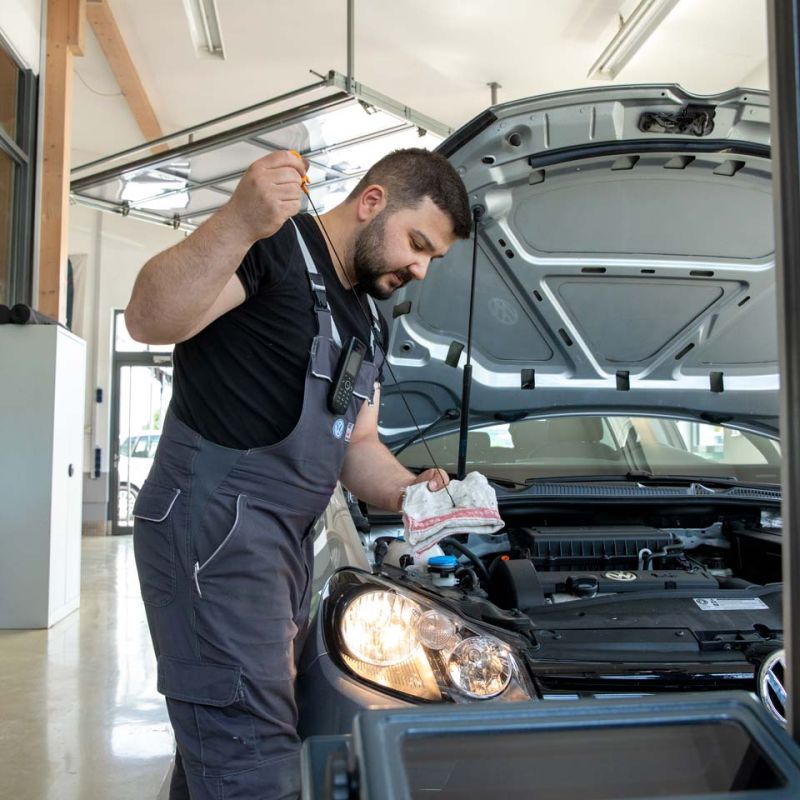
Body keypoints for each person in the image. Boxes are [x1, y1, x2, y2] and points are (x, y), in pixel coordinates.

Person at [125, 147, 472, 799]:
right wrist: (236, 221)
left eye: (433, 257)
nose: (420, 268)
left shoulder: (366, 317)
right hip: (212, 542)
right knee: (255, 759)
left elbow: (357, 444)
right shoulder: (270, 248)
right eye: (417, 243)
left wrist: (410, 490)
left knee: (223, 743)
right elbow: (149, 318)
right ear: (372, 202)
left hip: (280, 551)